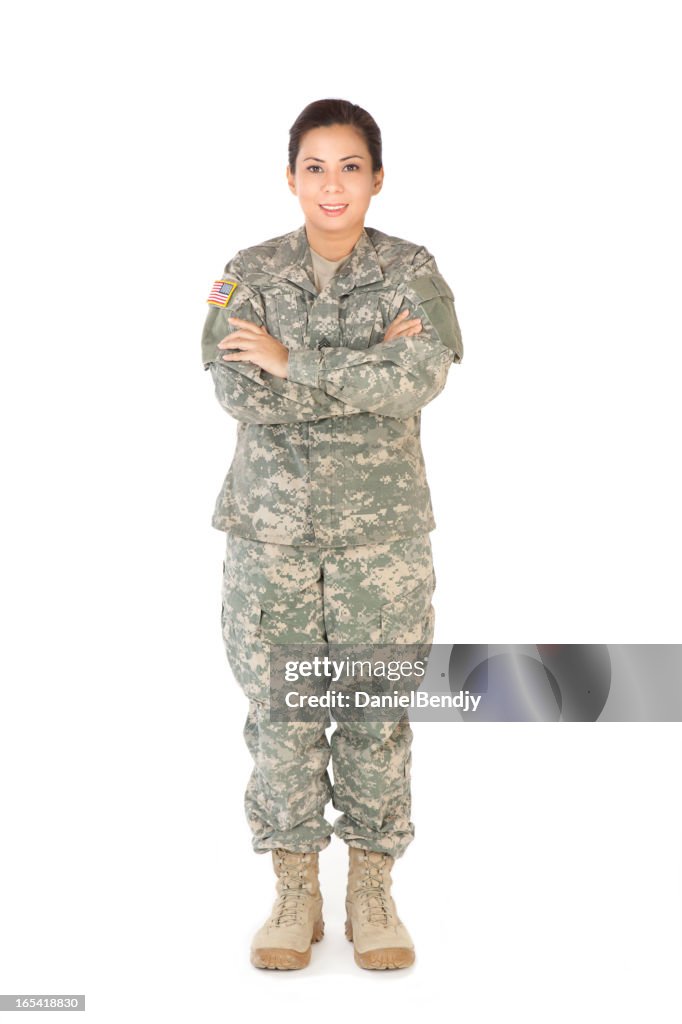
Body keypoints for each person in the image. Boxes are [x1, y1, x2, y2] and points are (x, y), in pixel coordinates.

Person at [200, 98, 463, 971]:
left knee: (376, 714)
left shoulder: (411, 272)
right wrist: (363, 369)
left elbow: (420, 376)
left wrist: (294, 360)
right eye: (315, 167)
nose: (333, 184)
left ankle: (373, 891)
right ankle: (294, 891)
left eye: (351, 166)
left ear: (377, 178)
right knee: (282, 714)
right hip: (271, 540)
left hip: (380, 544)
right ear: (290, 178)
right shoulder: (247, 273)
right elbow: (238, 390)